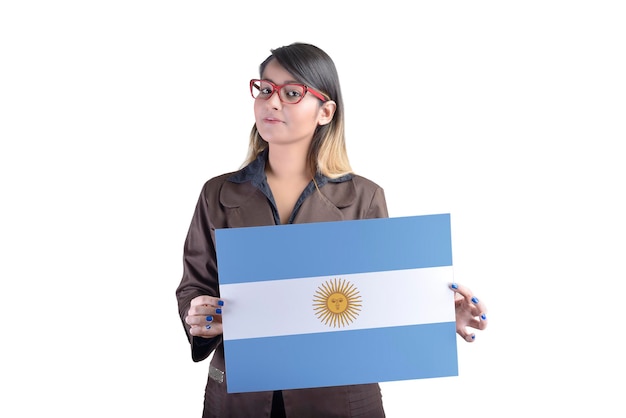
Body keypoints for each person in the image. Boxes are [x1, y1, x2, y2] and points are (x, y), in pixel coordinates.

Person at [175, 42, 488, 418]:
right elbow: (195, 286)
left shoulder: (364, 197)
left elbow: (381, 300)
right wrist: (199, 317)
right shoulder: (219, 193)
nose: (272, 102)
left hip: (337, 400)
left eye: (292, 93)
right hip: (240, 398)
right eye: (265, 89)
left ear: (325, 111)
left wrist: (434, 320)